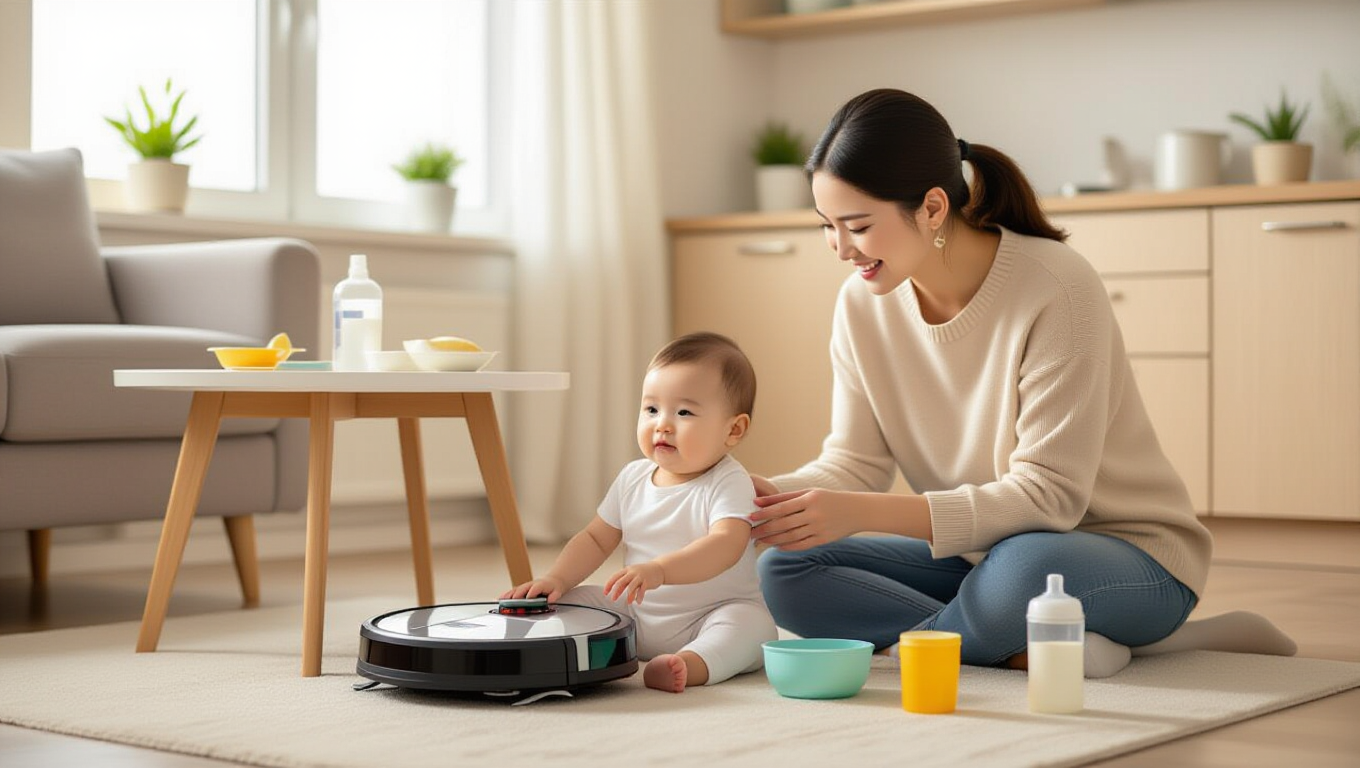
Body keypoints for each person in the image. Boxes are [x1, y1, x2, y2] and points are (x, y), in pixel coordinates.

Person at [749, 88, 1296, 678]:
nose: (840, 249)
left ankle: (933, 651)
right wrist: (759, 500)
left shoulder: (1055, 286)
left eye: (857, 225)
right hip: (982, 555)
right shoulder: (861, 304)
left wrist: (858, 511)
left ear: (932, 208)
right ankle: (1027, 643)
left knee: (1024, 569)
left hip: (1129, 556)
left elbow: (1050, 497)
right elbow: (854, 463)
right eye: (827, 226)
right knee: (786, 565)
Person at [503, 331, 777, 692]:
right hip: (634, 611)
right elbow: (596, 538)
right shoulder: (633, 477)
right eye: (651, 409)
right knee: (569, 603)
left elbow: (726, 545)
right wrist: (558, 580)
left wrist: (660, 570)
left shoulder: (729, 481)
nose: (662, 423)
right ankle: (551, 641)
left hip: (710, 613)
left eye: (684, 412)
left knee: (750, 626)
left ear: (733, 429)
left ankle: (688, 664)